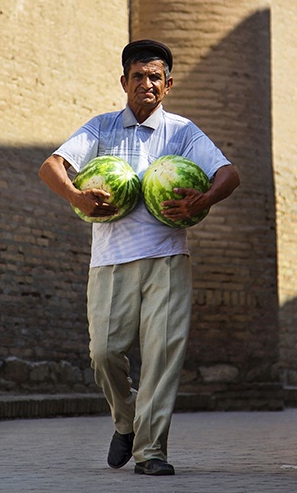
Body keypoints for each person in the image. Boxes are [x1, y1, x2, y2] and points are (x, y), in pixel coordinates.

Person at [38, 39, 240, 476]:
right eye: (137, 77)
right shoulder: (101, 127)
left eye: (154, 77)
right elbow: (51, 166)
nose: (145, 84)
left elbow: (229, 174)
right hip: (110, 259)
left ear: (168, 85)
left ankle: (151, 452)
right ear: (124, 82)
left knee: (163, 357)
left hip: (168, 258)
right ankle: (126, 420)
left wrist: (201, 199)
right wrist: (77, 196)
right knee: (104, 352)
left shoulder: (184, 132)